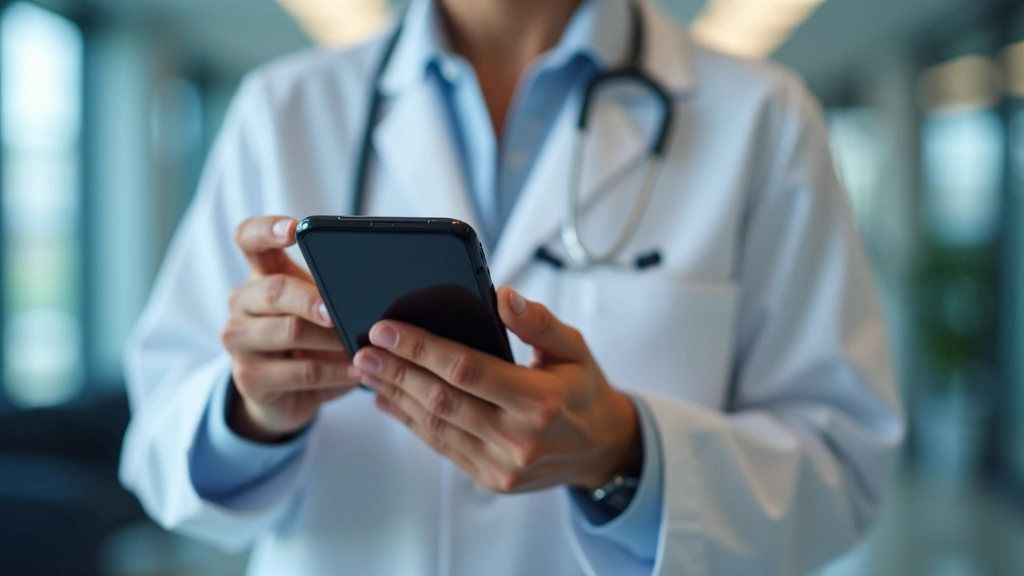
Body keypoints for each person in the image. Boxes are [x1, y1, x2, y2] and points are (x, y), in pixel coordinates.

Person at [119, 0, 905, 574]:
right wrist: (248, 411)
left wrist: (626, 454)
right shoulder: (283, 108)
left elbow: (843, 470)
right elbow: (156, 441)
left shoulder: (764, 119)